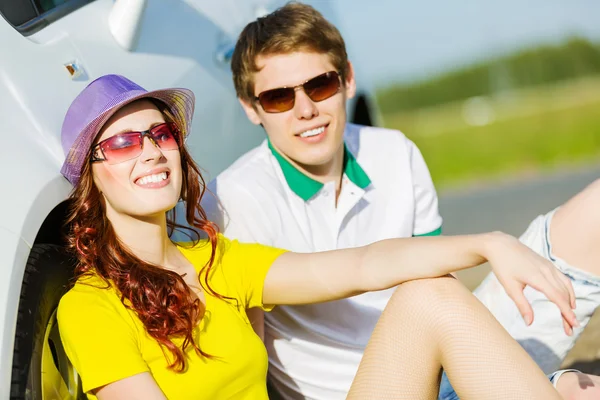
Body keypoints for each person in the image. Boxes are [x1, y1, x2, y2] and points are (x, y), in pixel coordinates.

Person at [56, 74, 576, 400]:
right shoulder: (89, 308)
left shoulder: (218, 261)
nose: (150, 151)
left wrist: (489, 243)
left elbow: (359, 265)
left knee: (429, 295)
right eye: (123, 143)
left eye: (160, 134)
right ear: (92, 180)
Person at [202, 2, 600, 399]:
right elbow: (247, 359)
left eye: (319, 85)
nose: (305, 110)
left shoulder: (395, 152)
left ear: (348, 80)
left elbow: (445, 288)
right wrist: (491, 243)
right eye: (277, 98)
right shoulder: (235, 199)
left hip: (442, 352)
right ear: (251, 108)